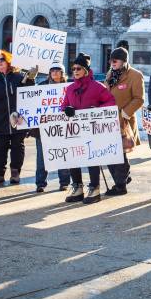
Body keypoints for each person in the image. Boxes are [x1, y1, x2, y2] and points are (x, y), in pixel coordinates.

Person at [61, 53, 116, 204]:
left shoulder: (97, 87)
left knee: (92, 157)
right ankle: (77, 187)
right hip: (75, 129)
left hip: (92, 129)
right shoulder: (70, 88)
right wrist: (67, 110)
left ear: (86, 70)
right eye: (73, 68)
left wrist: (97, 110)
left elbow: (111, 102)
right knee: (73, 157)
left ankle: (94, 188)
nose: (75, 71)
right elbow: (63, 106)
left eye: (78, 68)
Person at [0, 50, 37, 185]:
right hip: (1, 123)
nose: (0, 63)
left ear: (8, 62)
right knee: (0, 148)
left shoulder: (19, 78)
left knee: (18, 147)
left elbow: (30, 94)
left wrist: (30, 78)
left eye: (2, 61)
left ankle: (15, 172)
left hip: (19, 121)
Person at [104, 47, 145, 196]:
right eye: (110, 60)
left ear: (123, 61)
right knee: (109, 152)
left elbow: (139, 99)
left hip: (124, 121)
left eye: (115, 60)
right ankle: (122, 178)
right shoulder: (110, 74)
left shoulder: (135, 75)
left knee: (118, 153)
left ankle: (120, 185)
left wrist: (125, 113)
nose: (112, 62)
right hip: (108, 120)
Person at [33, 63, 71, 192]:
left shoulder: (69, 87)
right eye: (52, 70)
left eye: (57, 70)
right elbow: (33, 104)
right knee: (41, 157)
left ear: (62, 72)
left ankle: (64, 182)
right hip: (43, 128)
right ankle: (40, 183)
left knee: (63, 155)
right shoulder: (42, 87)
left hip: (63, 127)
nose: (54, 73)